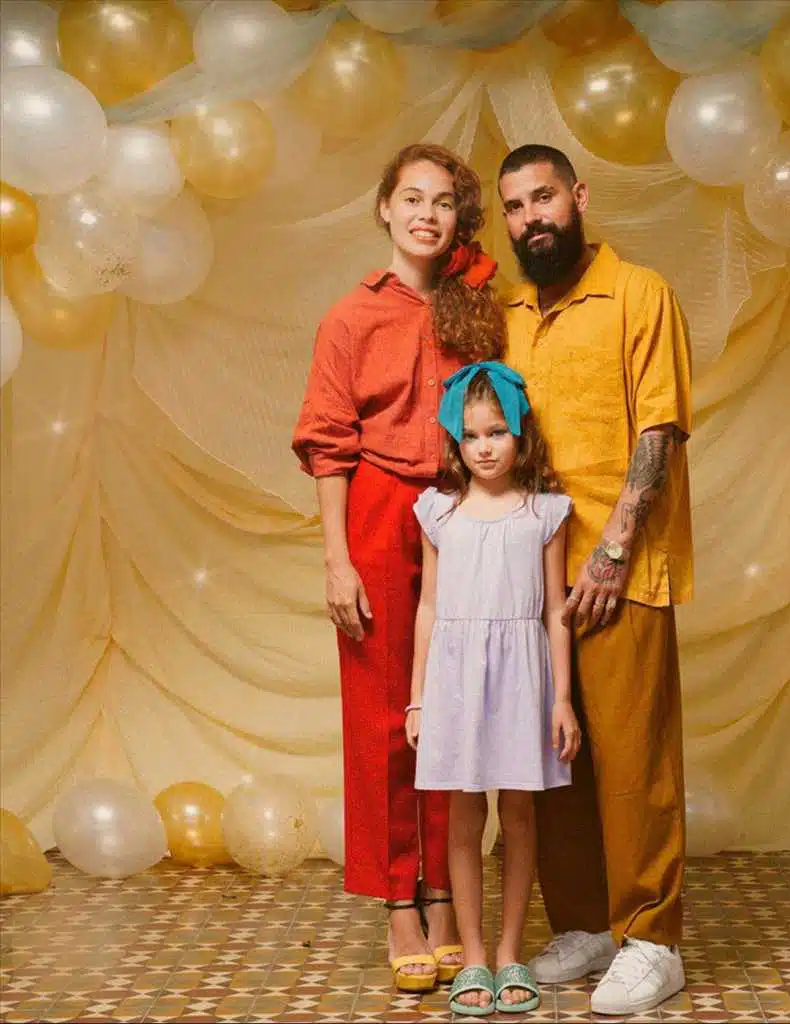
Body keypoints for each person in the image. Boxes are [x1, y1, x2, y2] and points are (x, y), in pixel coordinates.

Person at [292, 143, 506, 992]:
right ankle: (397, 901)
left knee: (455, 708)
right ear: (384, 208)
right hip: (379, 513)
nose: (426, 214)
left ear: (459, 219)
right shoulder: (350, 317)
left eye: (444, 202)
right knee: (384, 713)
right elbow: (326, 445)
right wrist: (337, 559)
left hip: (464, 512)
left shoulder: (476, 308)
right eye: (412, 198)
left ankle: (446, 887)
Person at [497, 144, 694, 1017]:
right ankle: (583, 924)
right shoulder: (505, 313)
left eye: (543, 198)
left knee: (631, 762)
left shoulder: (640, 294)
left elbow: (660, 430)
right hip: (530, 575)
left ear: (578, 197)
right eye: (514, 207)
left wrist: (614, 549)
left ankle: (652, 939)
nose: (531, 218)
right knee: (553, 759)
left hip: (622, 569)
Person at [405, 362, 582, 1016]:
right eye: (472, 435)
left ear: (520, 435)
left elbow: (556, 610)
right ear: (456, 441)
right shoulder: (441, 514)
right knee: (462, 815)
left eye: (497, 432)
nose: (484, 447)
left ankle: (510, 951)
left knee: (520, 814)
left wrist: (561, 698)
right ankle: (474, 953)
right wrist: (418, 697)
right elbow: (428, 607)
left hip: (521, 678)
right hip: (455, 680)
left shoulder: (543, 513)